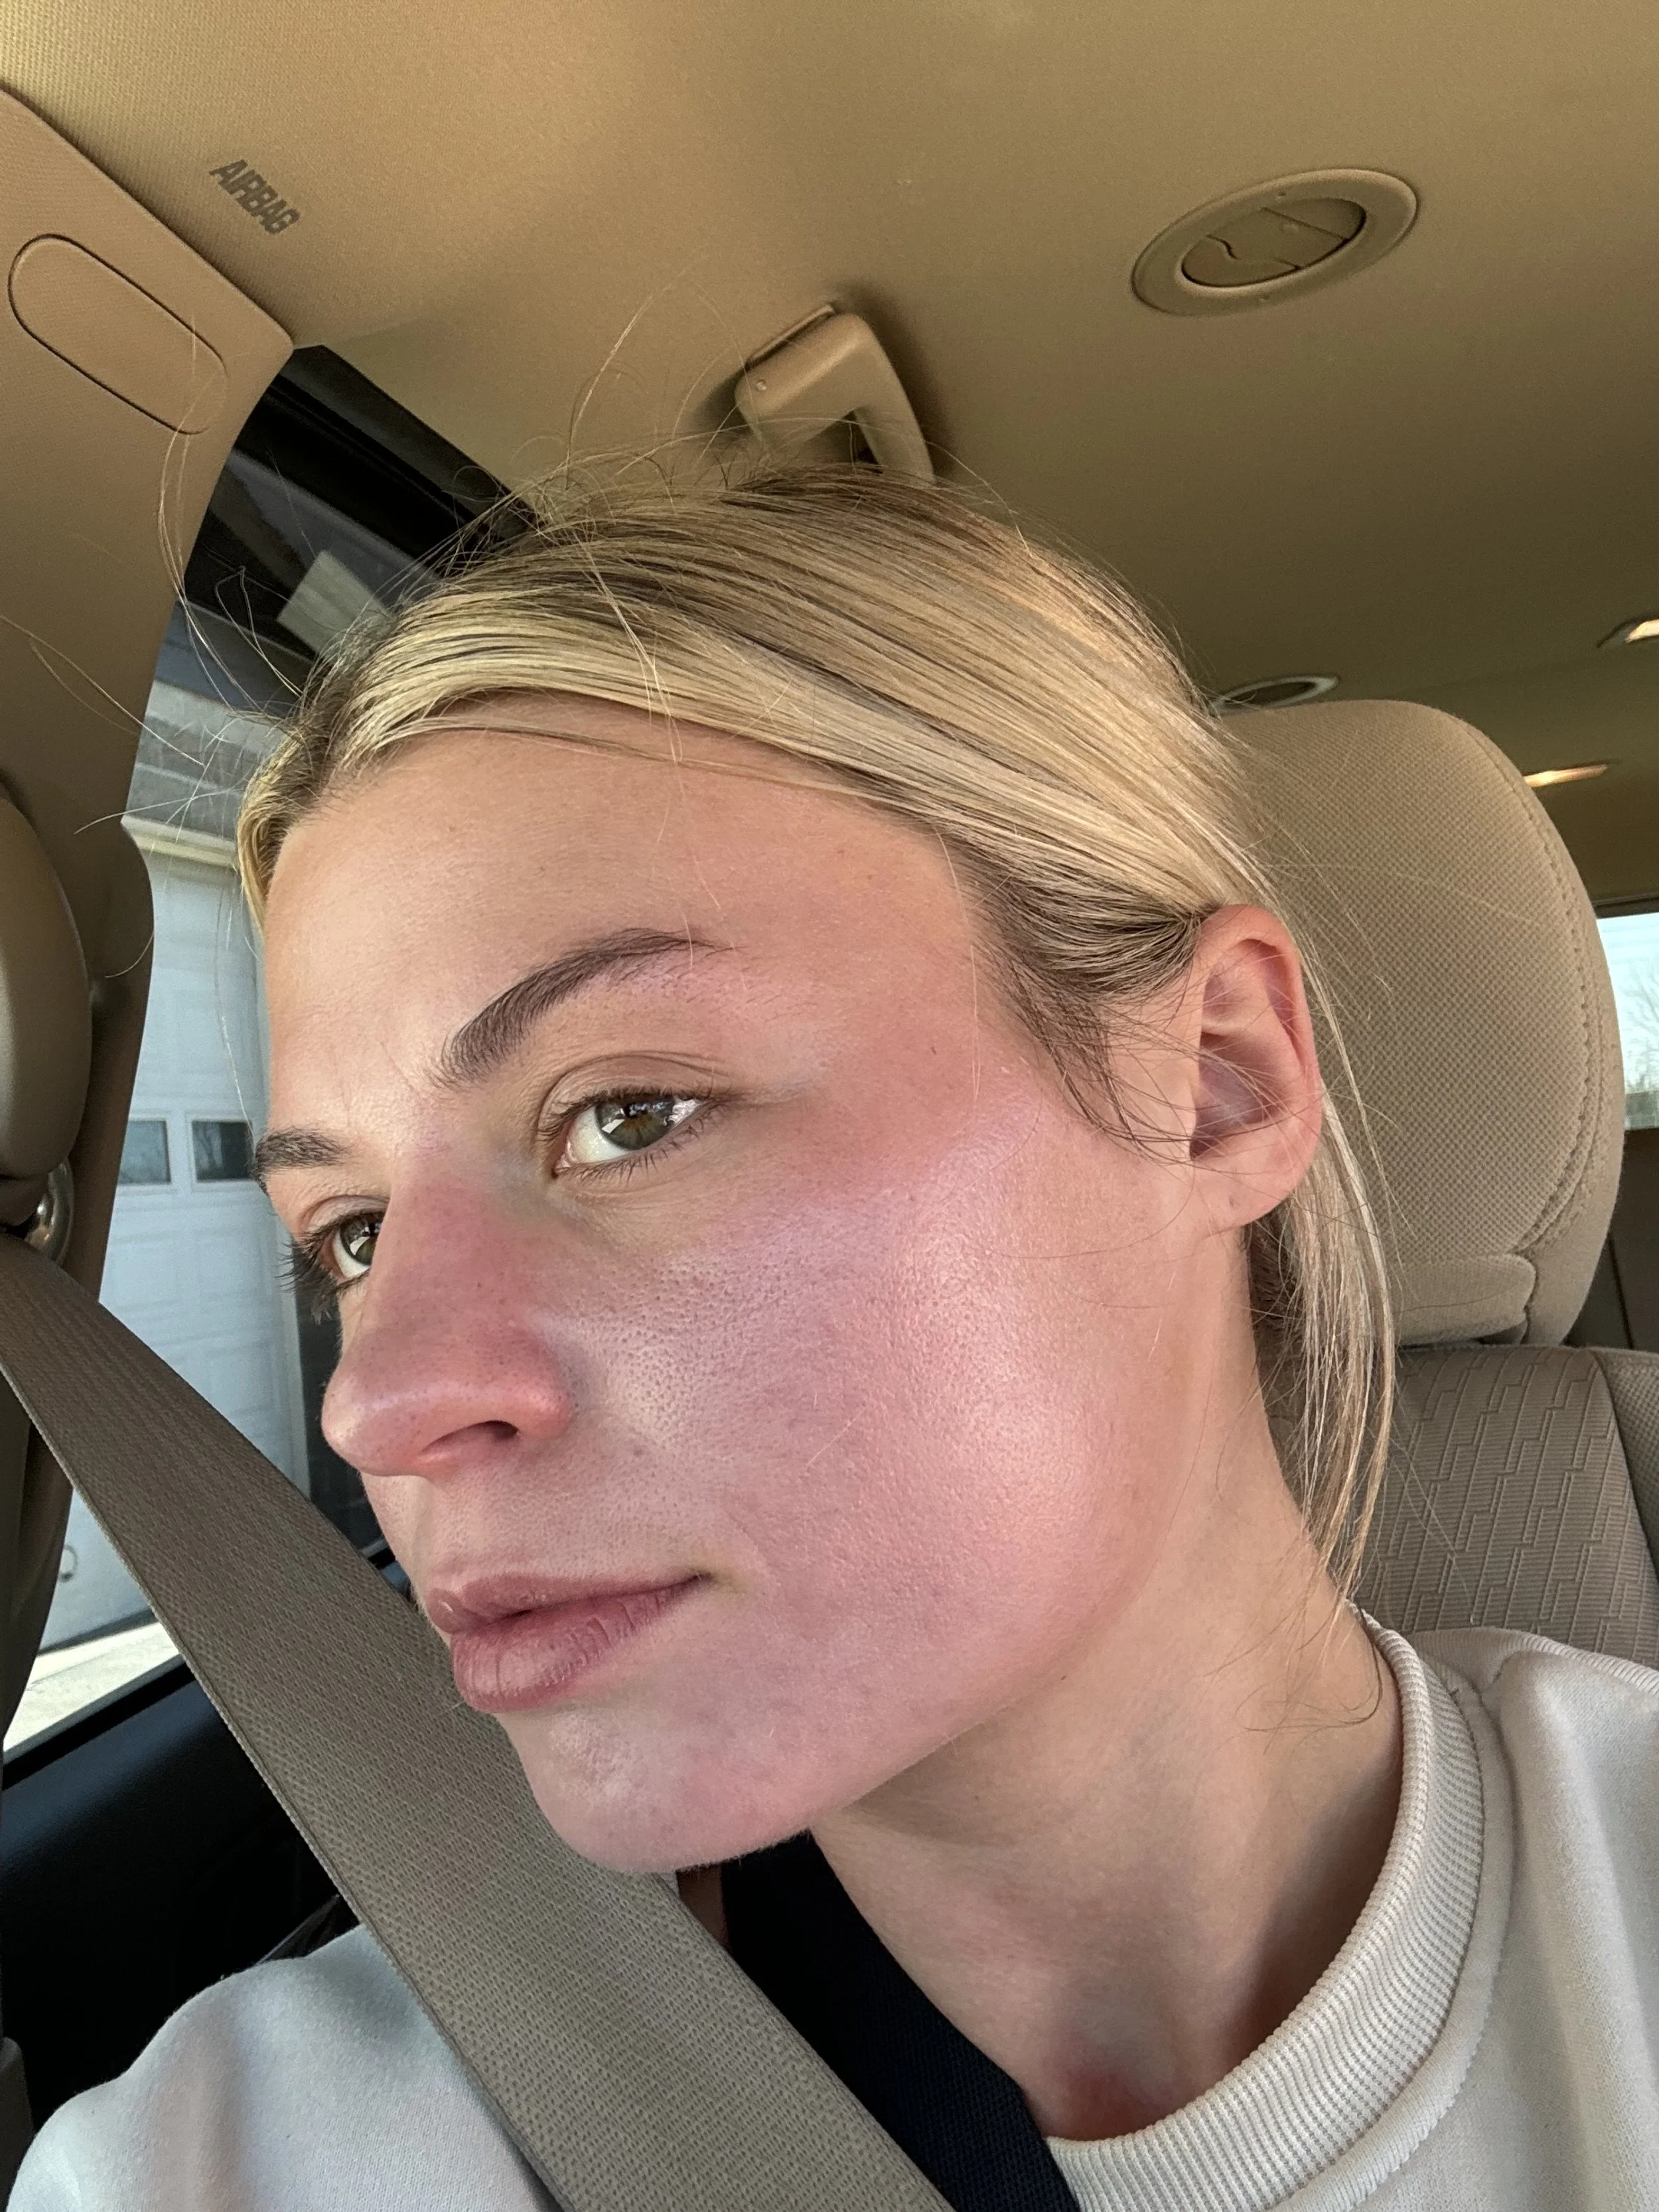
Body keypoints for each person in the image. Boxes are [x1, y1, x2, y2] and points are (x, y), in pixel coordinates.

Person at [15, 467, 1659, 2210]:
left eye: (630, 1113)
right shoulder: (236, 2157)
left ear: (1215, 1079)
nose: (381, 1399)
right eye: (348, 1233)